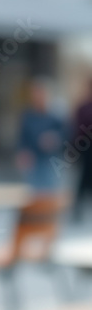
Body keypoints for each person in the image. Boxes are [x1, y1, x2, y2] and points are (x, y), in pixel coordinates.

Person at [16, 79, 66, 192]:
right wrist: (22, 153)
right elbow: (22, 138)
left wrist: (54, 139)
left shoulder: (55, 116)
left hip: (51, 161)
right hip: (33, 160)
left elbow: (66, 135)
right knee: (33, 192)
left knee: (50, 192)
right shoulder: (28, 116)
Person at [73, 80, 92, 215]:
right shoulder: (83, 107)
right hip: (86, 149)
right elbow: (78, 128)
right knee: (84, 178)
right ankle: (78, 208)